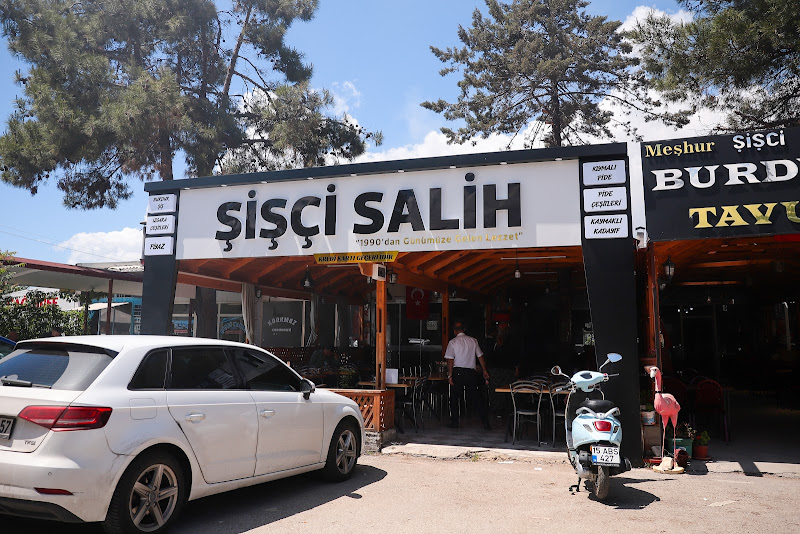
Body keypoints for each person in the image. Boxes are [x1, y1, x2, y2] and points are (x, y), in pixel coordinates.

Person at [445, 322, 491, 430]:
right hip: (471, 372)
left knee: (454, 397)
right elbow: (480, 356)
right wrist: (484, 370)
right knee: (476, 397)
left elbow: (450, 360)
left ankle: (454, 422)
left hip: (458, 372)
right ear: (464, 329)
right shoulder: (473, 340)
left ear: (454, 331)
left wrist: (450, 375)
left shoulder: (453, 342)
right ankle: (485, 422)